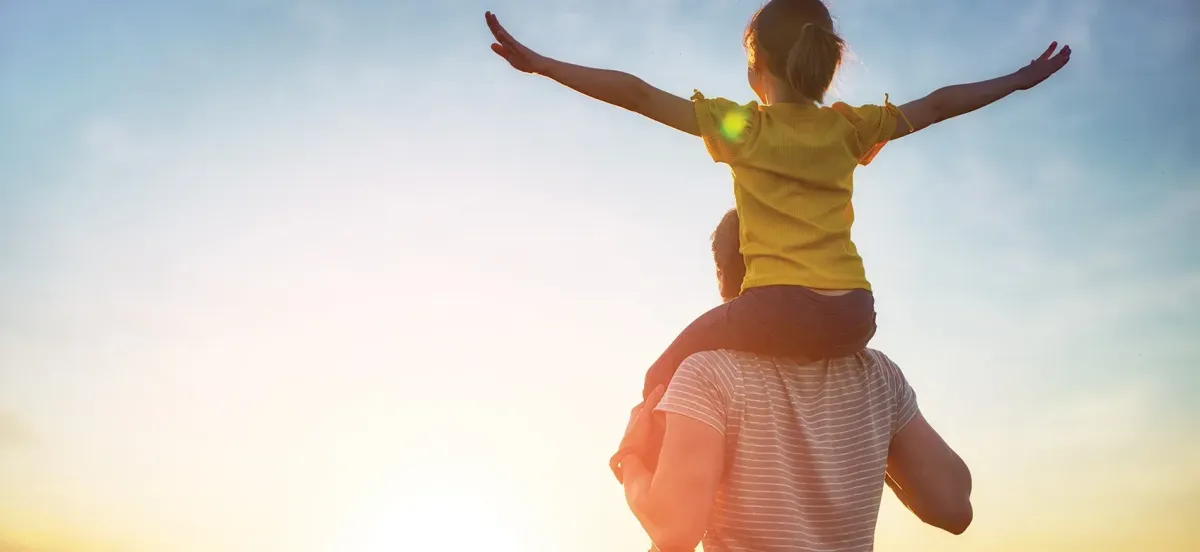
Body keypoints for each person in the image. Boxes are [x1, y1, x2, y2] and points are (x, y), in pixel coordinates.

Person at [484, 1, 1072, 402]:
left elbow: (637, 94)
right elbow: (940, 103)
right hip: (854, 316)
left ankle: (645, 479)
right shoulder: (850, 130)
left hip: (777, 309)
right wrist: (1016, 79)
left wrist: (544, 66)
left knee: (660, 377)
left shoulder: (745, 128)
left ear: (754, 63)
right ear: (826, 63)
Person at [612, 209, 974, 552]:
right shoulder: (878, 375)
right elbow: (954, 506)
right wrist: (871, 442)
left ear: (724, 278)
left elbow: (675, 531)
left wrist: (629, 457)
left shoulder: (708, 374)